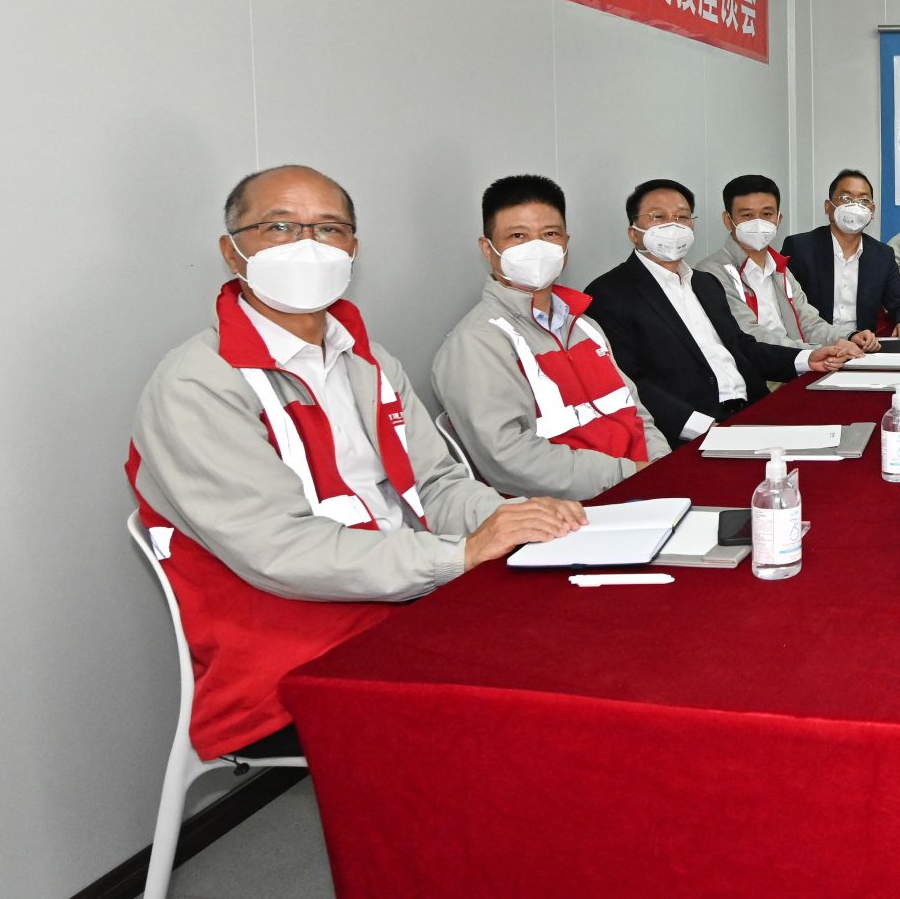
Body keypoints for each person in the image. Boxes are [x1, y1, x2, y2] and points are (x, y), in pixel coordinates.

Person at [127, 165, 585, 761]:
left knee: (585, 632)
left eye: (329, 229)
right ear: (232, 251)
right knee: (539, 701)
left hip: (407, 599)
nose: (308, 246)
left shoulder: (366, 359)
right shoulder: (198, 383)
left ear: (353, 249)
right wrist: (460, 554)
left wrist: (522, 520)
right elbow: (279, 552)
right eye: (280, 226)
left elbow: (438, 485)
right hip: (293, 648)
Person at [431, 174, 669, 501]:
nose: (537, 248)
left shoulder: (585, 325)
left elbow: (636, 411)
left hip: (641, 488)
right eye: (518, 236)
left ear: (566, 244)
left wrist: (661, 465)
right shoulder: (477, 343)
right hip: (565, 515)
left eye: (550, 234)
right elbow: (509, 459)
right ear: (488, 249)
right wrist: (629, 474)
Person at [583, 179, 858, 443]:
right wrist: (702, 428)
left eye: (682, 217)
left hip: (752, 409)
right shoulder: (609, 293)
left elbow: (743, 347)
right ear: (634, 232)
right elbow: (628, 380)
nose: (673, 226)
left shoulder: (704, 283)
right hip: (693, 429)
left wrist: (807, 359)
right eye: (658, 217)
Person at [694, 173, 879, 351]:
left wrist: (849, 337)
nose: (758, 223)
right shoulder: (711, 273)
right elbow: (750, 336)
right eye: (747, 215)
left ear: (778, 219)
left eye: (767, 214)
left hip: (794, 364)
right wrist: (810, 352)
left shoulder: (779, 268)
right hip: (757, 375)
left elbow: (809, 323)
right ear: (728, 220)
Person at [780, 169, 900, 339]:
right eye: (846, 199)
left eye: (864, 200)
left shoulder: (881, 255)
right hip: (812, 347)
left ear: (872, 211)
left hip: (861, 349)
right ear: (828, 207)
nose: (855, 206)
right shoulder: (800, 248)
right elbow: (786, 307)